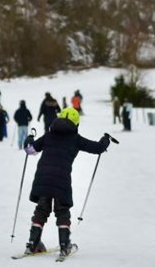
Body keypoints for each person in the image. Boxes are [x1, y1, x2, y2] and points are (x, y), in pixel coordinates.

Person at [22, 108, 111, 258]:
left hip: (42, 178)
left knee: (41, 209)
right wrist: (105, 140)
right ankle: (64, 245)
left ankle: (33, 243)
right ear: (76, 124)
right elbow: (97, 149)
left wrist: (29, 140)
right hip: (61, 180)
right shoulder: (75, 138)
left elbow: (29, 150)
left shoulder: (49, 135)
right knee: (62, 211)